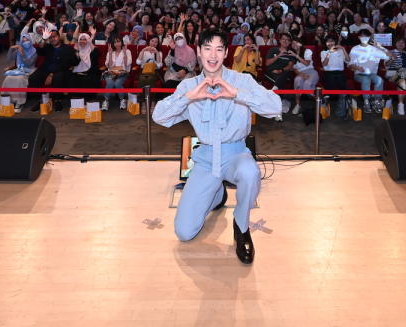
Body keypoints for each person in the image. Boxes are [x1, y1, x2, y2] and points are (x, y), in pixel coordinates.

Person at [152, 29, 282, 265]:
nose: (213, 55)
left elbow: (275, 107)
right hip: (205, 158)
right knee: (184, 232)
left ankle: (241, 226)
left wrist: (238, 94)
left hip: (236, 153)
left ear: (225, 53)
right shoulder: (189, 86)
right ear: (199, 52)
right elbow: (159, 116)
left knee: (250, 173)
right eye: (207, 49)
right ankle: (217, 194)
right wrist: (189, 97)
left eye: (219, 49)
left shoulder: (242, 80)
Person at [26, 31, 78, 111]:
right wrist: (43, 39)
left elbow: (69, 63)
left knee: (58, 78)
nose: (53, 39)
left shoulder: (67, 48)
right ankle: (41, 100)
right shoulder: (47, 47)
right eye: (50, 38)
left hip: (61, 70)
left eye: (55, 37)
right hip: (46, 70)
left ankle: (58, 101)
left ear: (59, 37)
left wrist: (51, 75)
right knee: (33, 77)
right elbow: (40, 51)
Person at [348, 31, 389, 114]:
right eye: (363, 36)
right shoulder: (355, 49)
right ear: (359, 37)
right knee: (366, 80)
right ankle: (366, 102)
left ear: (369, 37)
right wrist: (357, 67)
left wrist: (380, 47)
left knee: (379, 80)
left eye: (367, 36)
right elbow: (349, 65)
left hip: (372, 74)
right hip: (359, 74)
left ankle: (377, 101)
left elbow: (390, 55)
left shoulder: (374, 49)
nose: (365, 38)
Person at [0, 33, 39, 112]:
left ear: (30, 41)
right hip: (19, 70)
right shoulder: (20, 49)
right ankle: (6, 101)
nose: (25, 43)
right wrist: (11, 48)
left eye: (27, 40)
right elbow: (9, 58)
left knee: (19, 79)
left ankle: (19, 102)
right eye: (23, 41)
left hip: (30, 70)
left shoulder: (34, 51)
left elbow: (29, 63)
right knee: (8, 78)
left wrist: (23, 54)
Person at [383, 38, 406, 116]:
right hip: (393, 73)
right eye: (399, 42)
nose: (401, 44)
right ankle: (401, 104)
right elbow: (386, 65)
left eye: (402, 42)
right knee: (403, 79)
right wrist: (392, 59)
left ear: (405, 44)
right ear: (395, 44)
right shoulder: (390, 52)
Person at [319, 34, 348, 119]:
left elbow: (348, 60)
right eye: (328, 41)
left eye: (332, 41)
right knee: (330, 83)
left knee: (342, 88)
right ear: (325, 43)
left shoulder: (340, 51)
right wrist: (329, 53)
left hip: (340, 72)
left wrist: (343, 48)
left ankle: (341, 111)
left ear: (335, 42)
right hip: (329, 73)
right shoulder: (323, 52)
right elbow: (324, 64)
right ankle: (326, 107)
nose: (330, 43)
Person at [102, 36, 132, 110]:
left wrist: (124, 53)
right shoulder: (110, 52)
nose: (117, 44)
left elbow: (127, 64)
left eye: (118, 41)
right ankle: (106, 101)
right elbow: (109, 66)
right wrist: (110, 54)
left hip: (123, 73)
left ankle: (122, 100)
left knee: (117, 83)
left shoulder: (127, 51)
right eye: (115, 42)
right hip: (111, 72)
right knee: (110, 83)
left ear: (121, 42)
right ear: (113, 43)